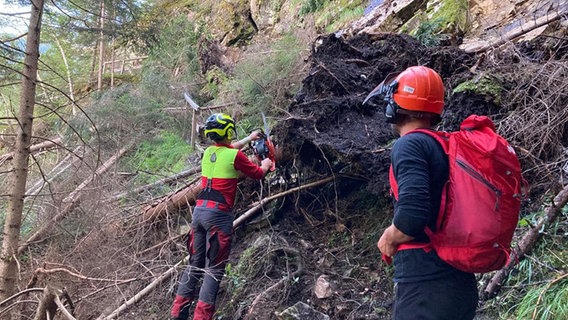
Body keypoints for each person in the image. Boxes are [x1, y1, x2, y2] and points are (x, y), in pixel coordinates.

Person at [363, 66, 478, 319]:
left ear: (395, 105)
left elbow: (413, 216)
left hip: (427, 284)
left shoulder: (409, 145)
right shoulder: (445, 144)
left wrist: (390, 237)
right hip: (459, 281)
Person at [170, 113, 273, 320]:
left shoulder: (209, 152)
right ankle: (201, 317)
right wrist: (267, 163)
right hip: (218, 216)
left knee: (195, 263)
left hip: (198, 214)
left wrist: (248, 139)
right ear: (228, 132)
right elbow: (258, 174)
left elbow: (228, 150)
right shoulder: (234, 156)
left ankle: (178, 313)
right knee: (214, 269)